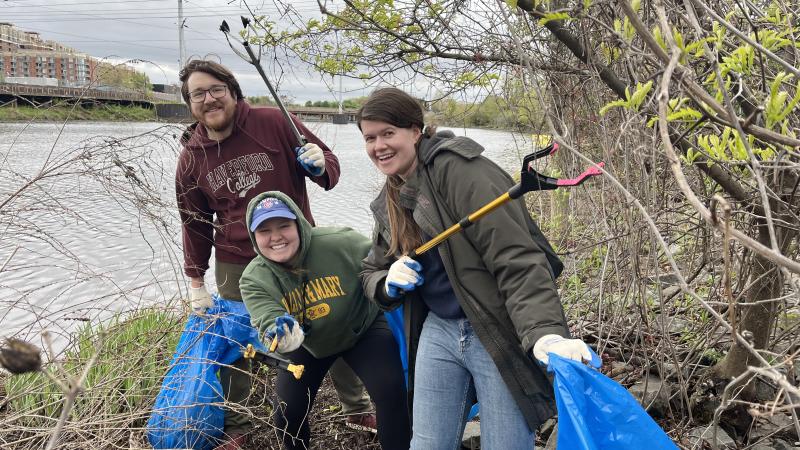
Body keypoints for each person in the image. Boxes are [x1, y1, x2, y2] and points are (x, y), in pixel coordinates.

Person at [357, 88, 593, 450]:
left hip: (493, 327)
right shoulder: (389, 196)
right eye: (370, 138)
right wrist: (387, 282)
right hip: (438, 331)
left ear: (416, 131)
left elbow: (517, 259)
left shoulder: (463, 171)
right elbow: (370, 270)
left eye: (388, 133)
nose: (378, 146)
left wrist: (546, 332)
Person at [175, 59, 373, 448]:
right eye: (198, 94)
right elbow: (194, 222)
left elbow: (328, 168)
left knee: (333, 318)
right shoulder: (192, 157)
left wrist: (319, 162)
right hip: (236, 257)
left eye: (216, 89)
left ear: (232, 91)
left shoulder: (274, 122)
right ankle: (237, 426)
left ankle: (356, 407)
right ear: (190, 104)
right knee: (238, 342)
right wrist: (196, 280)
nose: (209, 99)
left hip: (300, 248)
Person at [240, 192, 411, 450]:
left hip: (362, 329)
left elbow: (382, 261)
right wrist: (280, 333)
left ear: (299, 224)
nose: (276, 237)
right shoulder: (254, 278)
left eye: (284, 226)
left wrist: (396, 270)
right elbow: (266, 317)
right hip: (306, 343)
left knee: (391, 389)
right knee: (286, 412)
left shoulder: (342, 242)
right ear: (254, 237)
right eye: (264, 230)